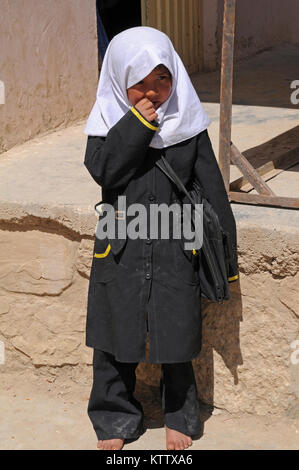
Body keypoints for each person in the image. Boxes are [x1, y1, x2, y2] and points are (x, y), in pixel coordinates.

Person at [83, 26, 239, 451]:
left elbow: (211, 188)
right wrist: (135, 124)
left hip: (176, 241)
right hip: (121, 239)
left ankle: (181, 415)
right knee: (113, 331)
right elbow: (106, 172)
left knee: (177, 330)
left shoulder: (187, 122)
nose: (152, 93)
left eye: (162, 81)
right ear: (119, 81)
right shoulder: (107, 120)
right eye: (140, 84)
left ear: (176, 79)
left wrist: (228, 260)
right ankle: (114, 417)